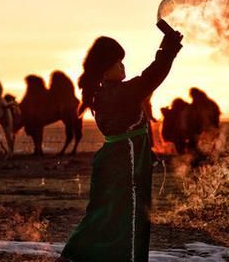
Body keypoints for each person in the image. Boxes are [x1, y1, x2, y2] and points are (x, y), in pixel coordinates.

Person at [58, 30, 183, 262]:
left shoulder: (102, 93)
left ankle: (76, 257)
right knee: (131, 216)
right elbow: (151, 76)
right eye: (118, 63)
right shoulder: (119, 94)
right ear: (106, 68)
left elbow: (147, 81)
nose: (123, 67)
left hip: (117, 160)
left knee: (104, 215)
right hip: (127, 162)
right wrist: (169, 49)